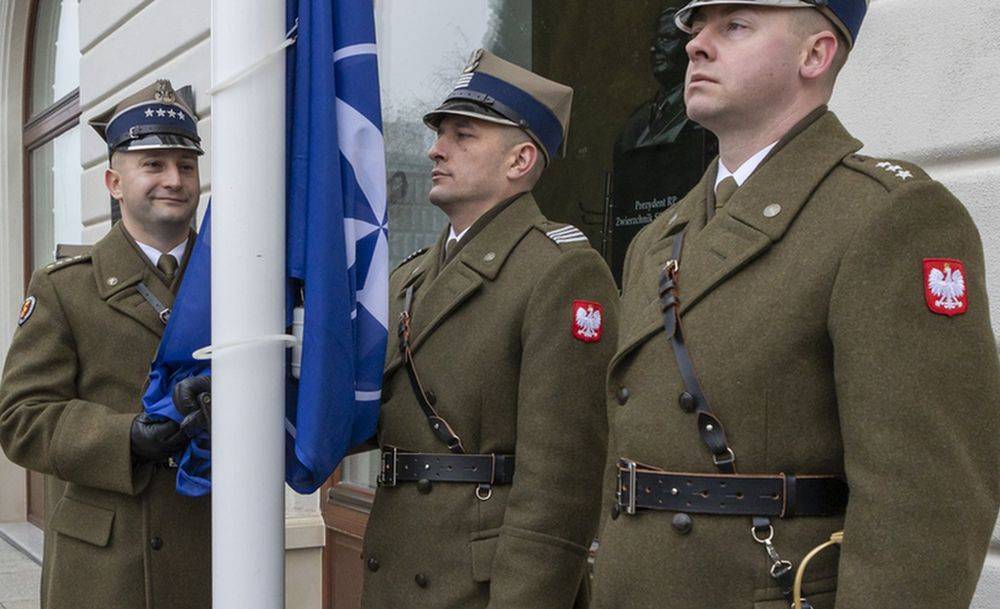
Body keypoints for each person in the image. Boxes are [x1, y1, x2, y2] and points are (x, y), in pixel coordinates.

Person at [593, 2, 1000, 609]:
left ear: (815, 55)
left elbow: (928, 502)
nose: (696, 45)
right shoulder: (659, 238)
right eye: (696, 27)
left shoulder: (886, 216)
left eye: (734, 26)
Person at [361, 49, 619, 609]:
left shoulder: (560, 270)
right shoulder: (410, 277)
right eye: (439, 134)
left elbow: (562, 483)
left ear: (520, 160)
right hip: (397, 567)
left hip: (481, 585)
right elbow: (369, 419)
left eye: (463, 135)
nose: (435, 149)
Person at [0, 79, 211, 609]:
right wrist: (125, 438)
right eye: (154, 164)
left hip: (214, 546)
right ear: (115, 183)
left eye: (186, 166)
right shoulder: (65, 287)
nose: (174, 180)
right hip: (105, 564)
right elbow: (21, 418)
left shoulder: (236, 280)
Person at [610, 5, 716, 282]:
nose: (655, 48)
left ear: (688, 46)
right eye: (655, 40)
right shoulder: (636, 123)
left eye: (667, 39)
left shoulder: (699, 120)